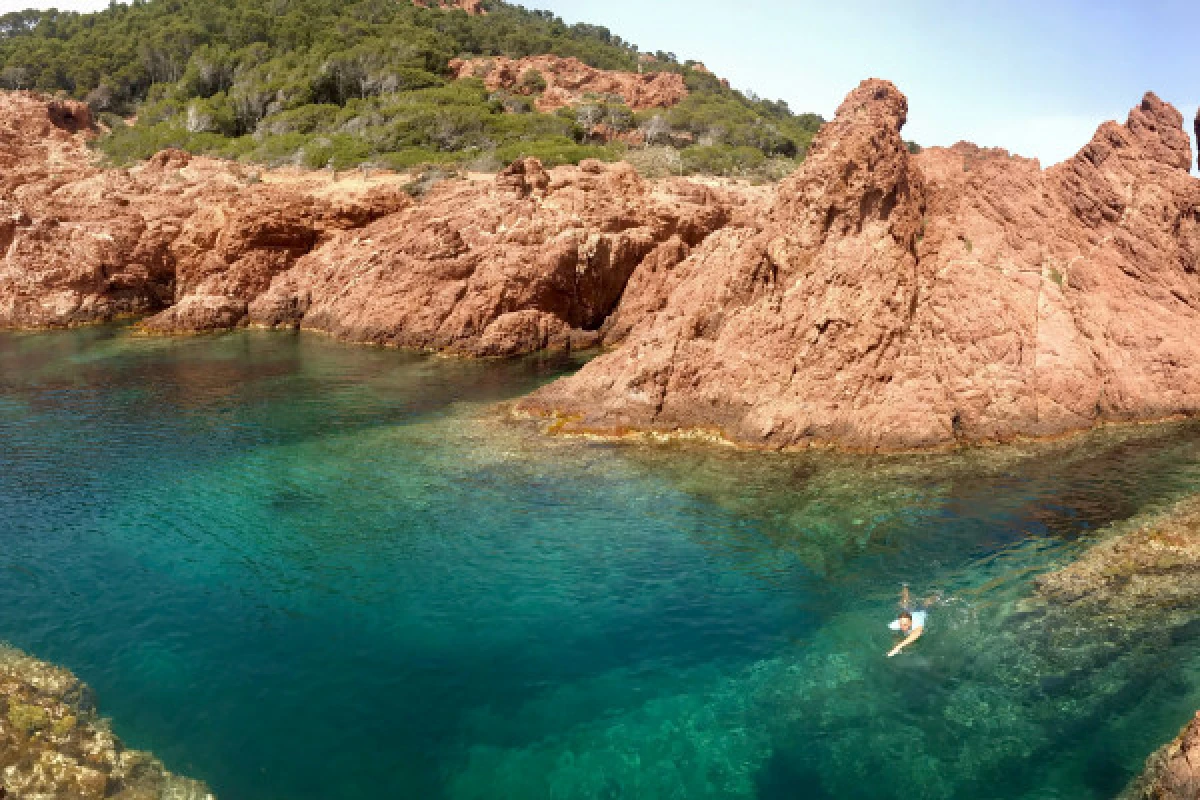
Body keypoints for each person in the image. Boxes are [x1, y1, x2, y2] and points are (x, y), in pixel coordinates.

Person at [887, 584, 927, 658]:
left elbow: (917, 633)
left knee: (926, 603)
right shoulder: (894, 625)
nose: (902, 626)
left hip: (921, 610)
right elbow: (895, 636)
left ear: (911, 623)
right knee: (904, 603)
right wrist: (895, 645)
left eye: (905, 624)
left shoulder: (917, 624)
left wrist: (898, 647)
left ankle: (936, 596)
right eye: (901, 624)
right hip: (908, 612)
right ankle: (905, 586)